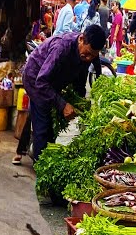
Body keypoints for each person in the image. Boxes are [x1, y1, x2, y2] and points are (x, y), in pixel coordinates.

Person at [21, 25, 107, 159]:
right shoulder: (61, 48)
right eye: (88, 53)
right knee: (44, 127)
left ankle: (22, 149)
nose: (89, 58)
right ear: (81, 39)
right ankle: (42, 169)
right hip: (35, 78)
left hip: (54, 80)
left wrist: (81, 102)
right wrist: (63, 105)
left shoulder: (89, 52)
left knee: (37, 115)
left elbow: (82, 78)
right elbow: (42, 82)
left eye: (93, 55)